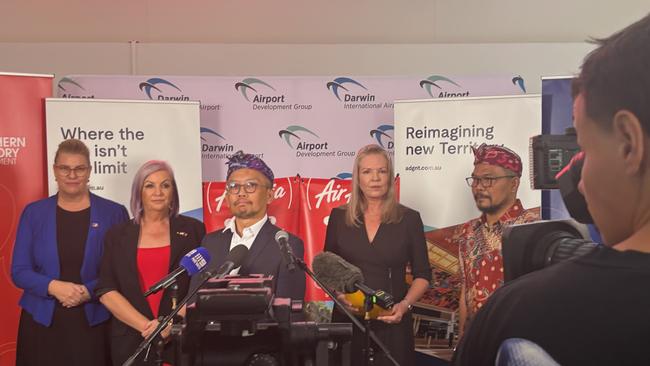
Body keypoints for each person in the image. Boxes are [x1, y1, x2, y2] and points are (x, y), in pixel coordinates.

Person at [453, 13, 650, 366]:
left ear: (629, 144)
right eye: (476, 179)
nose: (580, 182)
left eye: (585, 148)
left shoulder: (519, 317)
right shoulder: (467, 235)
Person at [11, 139, 129, 366]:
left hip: (94, 322)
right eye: (65, 168)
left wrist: (90, 291)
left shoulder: (114, 213)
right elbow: (19, 271)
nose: (72, 175)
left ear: (89, 171)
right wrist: (54, 286)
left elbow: (121, 271)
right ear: (55, 171)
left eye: (79, 168)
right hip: (41, 323)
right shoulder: (34, 213)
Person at [324, 144, 431, 366]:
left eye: (381, 171)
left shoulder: (409, 219)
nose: (375, 178)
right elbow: (328, 269)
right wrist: (340, 298)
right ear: (358, 178)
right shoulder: (339, 217)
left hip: (392, 320)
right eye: (367, 172)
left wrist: (405, 305)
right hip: (349, 321)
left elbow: (423, 274)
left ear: (390, 176)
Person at [96, 160, 205, 365]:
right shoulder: (117, 235)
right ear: (139, 192)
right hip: (131, 339)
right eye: (150, 185)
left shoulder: (194, 230)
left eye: (165, 185)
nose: (158, 192)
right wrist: (148, 327)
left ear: (173, 192)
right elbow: (106, 290)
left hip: (180, 338)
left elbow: (202, 286)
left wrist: (171, 323)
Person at [452, 143, 539, 338]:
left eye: (488, 179)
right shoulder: (468, 231)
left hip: (516, 344)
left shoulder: (532, 229)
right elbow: (466, 291)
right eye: (475, 179)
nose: (479, 186)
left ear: (514, 183)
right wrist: (462, 346)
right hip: (477, 345)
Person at [193, 151, 305, 300]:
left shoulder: (287, 245)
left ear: (269, 195)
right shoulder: (210, 242)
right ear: (226, 197)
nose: (241, 193)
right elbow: (193, 300)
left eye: (250, 185)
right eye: (234, 186)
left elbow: (289, 310)